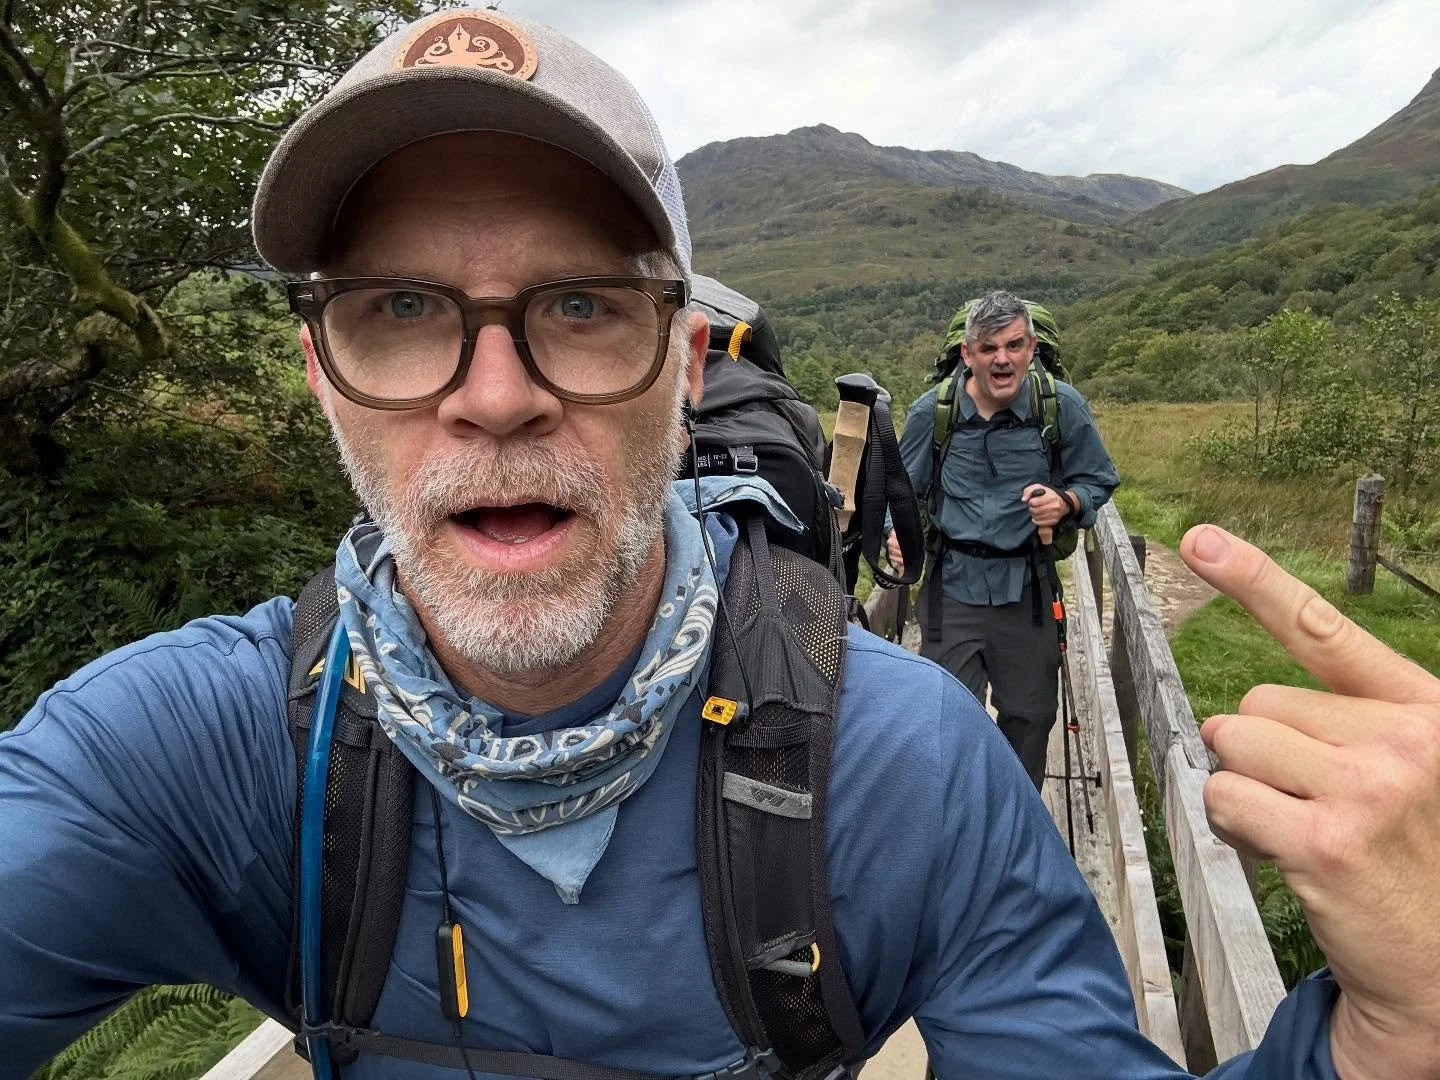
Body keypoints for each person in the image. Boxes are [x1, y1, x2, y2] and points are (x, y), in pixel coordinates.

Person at [1, 10, 1438, 1080]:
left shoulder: (902, 768)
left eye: (579, 307)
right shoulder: (184, 755)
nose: (494, 398)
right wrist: (898, 566)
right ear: (319, 370)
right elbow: (904, 500)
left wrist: (1391, 1036)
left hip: (1014, 614)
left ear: (683, 368)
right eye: (398, 309)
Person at [889, 292, 1119, 787]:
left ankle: (1019, 829)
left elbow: (1098, 478)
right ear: (968, 354)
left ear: (1031, 348)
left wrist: (1067, 503)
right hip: (952, 590)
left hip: (1028, 592)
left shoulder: (1060, 407)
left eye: (1014, 345)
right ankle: (962, 828)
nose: (1003, 359)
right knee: (948, 719)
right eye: (989, 347)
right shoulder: (934, 413)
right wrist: (894, 533)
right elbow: (901, 494)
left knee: (1030, 720)